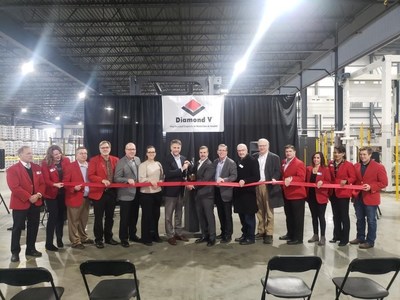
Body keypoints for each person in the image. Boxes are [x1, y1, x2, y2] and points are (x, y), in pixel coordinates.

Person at [7, 146, 45, 262]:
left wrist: (38, 195)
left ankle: (31, 249)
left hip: (36, 202)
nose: (31, 155)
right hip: (20, 203)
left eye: (31, 153)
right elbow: (14, 187)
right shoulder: (13, 169)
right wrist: (29, 197)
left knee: (33, 226)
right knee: (17, 228)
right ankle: (15, 252)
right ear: (21, 155)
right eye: (28, 153)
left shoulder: (37, 168)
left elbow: (42, 184)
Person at [350, 146, 388, 249]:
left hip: (371, 197)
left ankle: (370, 241)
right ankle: (360, 237)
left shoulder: (379, 167)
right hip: (358, 197)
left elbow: (384, 183)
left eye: (364, 154)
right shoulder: (356, 166)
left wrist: (371, 187)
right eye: (361, 154)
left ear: (370, 155)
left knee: (371, 220)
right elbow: (354, 180)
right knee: (360, 219)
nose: (362, 156)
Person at [88, 140, 119, 249]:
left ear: (110, 148)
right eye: (103, 148)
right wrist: (102, 180)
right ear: (99, 149)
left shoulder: (116, 160)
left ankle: (108, 237)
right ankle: (98, 239)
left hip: (111, 193)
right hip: (98, 193)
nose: (105, 149)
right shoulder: (93, 160)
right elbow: (90, 175)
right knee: (98, 218)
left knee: (110, 217)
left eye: (107, 147)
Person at [252, 138, 283, 244]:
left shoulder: (274, 157)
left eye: (263, 145)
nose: (261, 147)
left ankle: (269, 233)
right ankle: (261, 231)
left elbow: (277, 171)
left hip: (268, 186)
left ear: (268, 146)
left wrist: (274, 178)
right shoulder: (255, 156)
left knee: (269, 211)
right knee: (259, 210)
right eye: (260, 146)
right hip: (257, 186)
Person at [41, 145, 71, 251]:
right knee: (53, 217)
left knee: (61, 218)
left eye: (59, 154)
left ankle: (59, 239)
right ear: (50, 155)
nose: (58, 156)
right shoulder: (45, 163)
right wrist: (55, 184)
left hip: (63, 193)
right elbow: (45, 179)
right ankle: (48, 243)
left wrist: (65, 183)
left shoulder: (66, 160)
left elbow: (68, 174)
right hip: (51, 194)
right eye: (55, 155)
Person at [64, 146, 94, 249]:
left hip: (87, 197)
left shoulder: (90, 166)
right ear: (76, 155)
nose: (83, 155)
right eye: (81, 153)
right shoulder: (70, 167)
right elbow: (65, 182)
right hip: (74, 197)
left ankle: (83, 237)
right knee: (74, 220)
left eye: (85, 153)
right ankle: (75, 241)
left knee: (83, 220)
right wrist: (73, 188)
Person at [162, 139, 191, 245]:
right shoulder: (166, 159)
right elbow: (168, 174)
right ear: (171, 147)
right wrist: (182, 169)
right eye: (174, 147)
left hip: (180, 191)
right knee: (168, 215)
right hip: (170, 192)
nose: (176, 149)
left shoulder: (183, 158)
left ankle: (178, 233)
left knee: (179, 214)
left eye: (178, 147)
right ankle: (170, 235)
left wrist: (188, 166)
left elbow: (185, 174)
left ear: (180, 148)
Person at [187, 146, 216, 247]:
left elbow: (205, 179)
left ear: (207, 153)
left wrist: (193, 185)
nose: (202, 154)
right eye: (201, 152)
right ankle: (204, 235)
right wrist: (189, 169)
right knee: (201, 217)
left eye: (204, 152)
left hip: (207, 195)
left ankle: (212, 238)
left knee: (209, 217)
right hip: (198, 195)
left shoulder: (210, 164)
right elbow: (194, 175)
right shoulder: (198, 163)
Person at [114, 142, 141, 248]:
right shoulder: (121, 162)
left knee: (134, 216)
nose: (131, 151)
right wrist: (127, 180)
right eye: (129, 149)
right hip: (125, 194)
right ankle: (123, 238)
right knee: (125, 218)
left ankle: (133, 235)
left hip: (136, 193)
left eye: (133, 149)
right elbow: (116, 178)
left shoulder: (138, 160)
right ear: (125, 150)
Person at [328, 145, 356, 246]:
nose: (336, 154)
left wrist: (347, 181)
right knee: (336, 216)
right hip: (333, 193)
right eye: (335, 152)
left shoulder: (348, 165)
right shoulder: (330, 164)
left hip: (343, 194)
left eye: (338, 152)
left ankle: (345, 239)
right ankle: (337, 236)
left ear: (343, 154)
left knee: (344, 216)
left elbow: (353, 177)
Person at [279, 144, 307, 245]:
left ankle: (298, 238)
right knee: (289, 216)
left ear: (294, 152)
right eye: (287, 151)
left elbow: (301, 178)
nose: (288, 153)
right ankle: (290, 234)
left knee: (297, 218)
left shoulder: (299, 163)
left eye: (290, 151)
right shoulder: (283, 162)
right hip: (286, 193)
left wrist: (291, 179)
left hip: (297, 195)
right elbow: (283, 175)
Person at [233, 144, 260, 245]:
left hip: (248, 194)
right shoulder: (237, 161)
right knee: (242, 217)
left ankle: (250, 237)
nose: (241, 152)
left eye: (243, 150)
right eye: (239, 150)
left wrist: (245, 180)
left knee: (249, 217)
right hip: (239, 194)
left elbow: (257, 177)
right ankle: (244, 235)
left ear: (247, 150)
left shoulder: (252, 161)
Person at [138, 145, 164, 246]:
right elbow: (141, 179)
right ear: (146, 153)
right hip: (146, 194)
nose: (151, 154)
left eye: (153, 152)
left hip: (157, 193)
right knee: (147, 216)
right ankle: (146, 238)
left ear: (155, 153)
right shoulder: (143, 165)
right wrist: (150, 181)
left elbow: (162, 176)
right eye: (149, 152)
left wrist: (160, 181)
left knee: (156, 216)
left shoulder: (158, 164)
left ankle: (155, 235)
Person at [305, 152, 331, 246]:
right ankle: (315, 235)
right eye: (314, 158)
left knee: (321, 217)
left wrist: (322, 181)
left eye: (318, 158)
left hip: (321, 196)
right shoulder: (309, 169)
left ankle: (323, 237)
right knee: (314, 217)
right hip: (311, 196)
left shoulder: (325, 169)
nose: (316, 159)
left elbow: (329, 181)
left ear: (321, 159)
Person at [213, 144, 237, 243]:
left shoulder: (231, 163)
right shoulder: (215, 162)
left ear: (226, 152)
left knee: (227, 215)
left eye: (223, 150)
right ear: (217, 151)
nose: (221, 152)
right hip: (217, 191)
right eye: (220, 150)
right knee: (220, 214)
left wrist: (224, 180)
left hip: (226, 192)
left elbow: (234, 176)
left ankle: (228, 235)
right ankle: (223, 232)